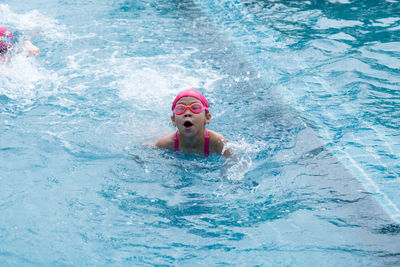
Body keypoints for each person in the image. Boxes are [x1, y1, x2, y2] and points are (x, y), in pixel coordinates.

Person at [156, 88, 230, 157]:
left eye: (195, 108)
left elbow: (231, 164)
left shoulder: (217, 142)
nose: (187, 113)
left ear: (207, 118)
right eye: (180, 108)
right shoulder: (165, 144)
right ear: (173, 120)